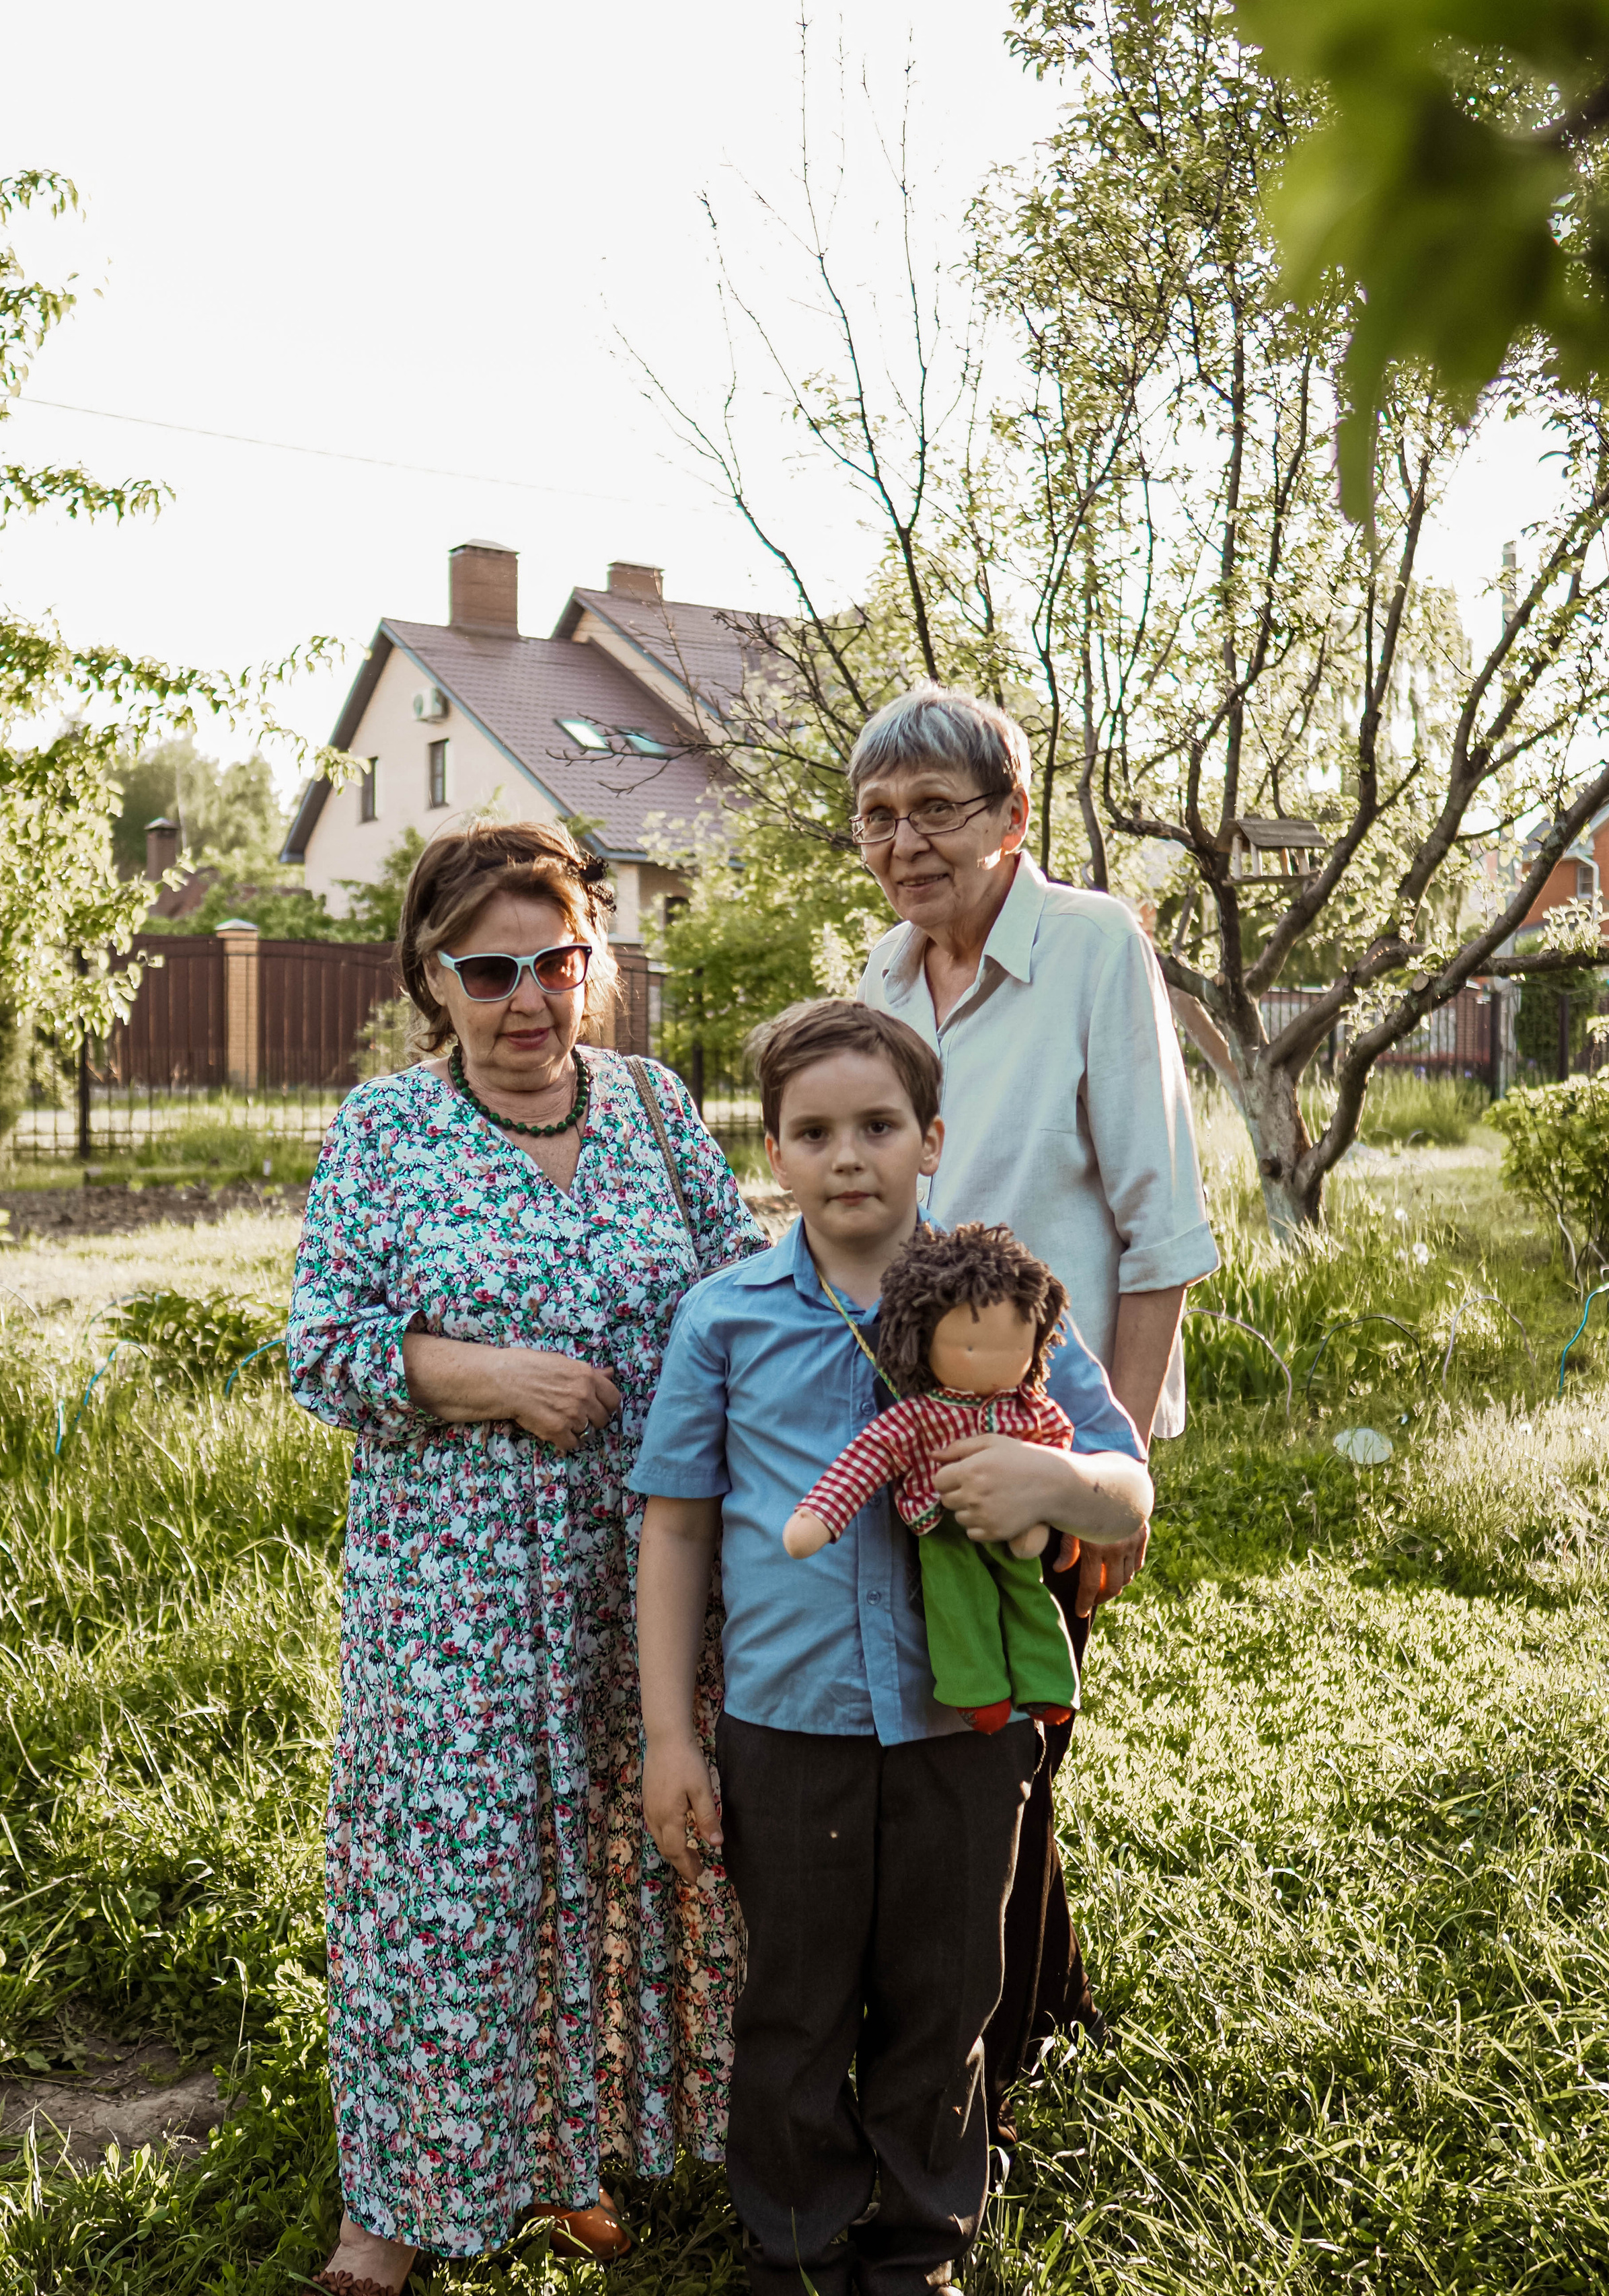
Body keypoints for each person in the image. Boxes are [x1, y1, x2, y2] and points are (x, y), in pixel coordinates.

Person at [288, 820, 765, 2295]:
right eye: (487, 969)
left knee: (629, 1864)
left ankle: (564, 2163)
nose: (526, 998)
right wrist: (493, 1377)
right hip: (459, 1597)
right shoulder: (381, 1130)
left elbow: (751, 1294)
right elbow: (322, 1348)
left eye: (555, 961)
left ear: (596, 960)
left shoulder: (655, 1108)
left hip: (654, 1576)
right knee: (452, 1886)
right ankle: (395, 2210)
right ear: (432, 979)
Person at [634, 999, 1152, 2296]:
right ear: (774, 1154)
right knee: (797, 1997)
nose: (847, 1155)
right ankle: (796, 2242)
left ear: (933, 1139)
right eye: (814, 1131)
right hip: (787, 1719)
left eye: (878, 1125)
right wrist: (669, 1738)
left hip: (962, 1727)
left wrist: (1051, 1484)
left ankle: (922, 2237)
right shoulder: (727, 1319)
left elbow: (1125, 1486)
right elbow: (679, 1533)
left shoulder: (1009, 1302)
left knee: (945, 1989)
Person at [850, 681, 1218, 2102]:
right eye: (877, 818)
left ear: (1010, 819)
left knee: (997, 1738)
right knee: (982, 1729)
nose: (904, 843)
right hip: (919, 1429)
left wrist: (1107, 1466)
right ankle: (1050, 2003)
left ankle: (988, 2059)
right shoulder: (876, 978)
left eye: (936, 810)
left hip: (1050, 1421)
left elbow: (1158, 1219)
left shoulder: (1087, 946)